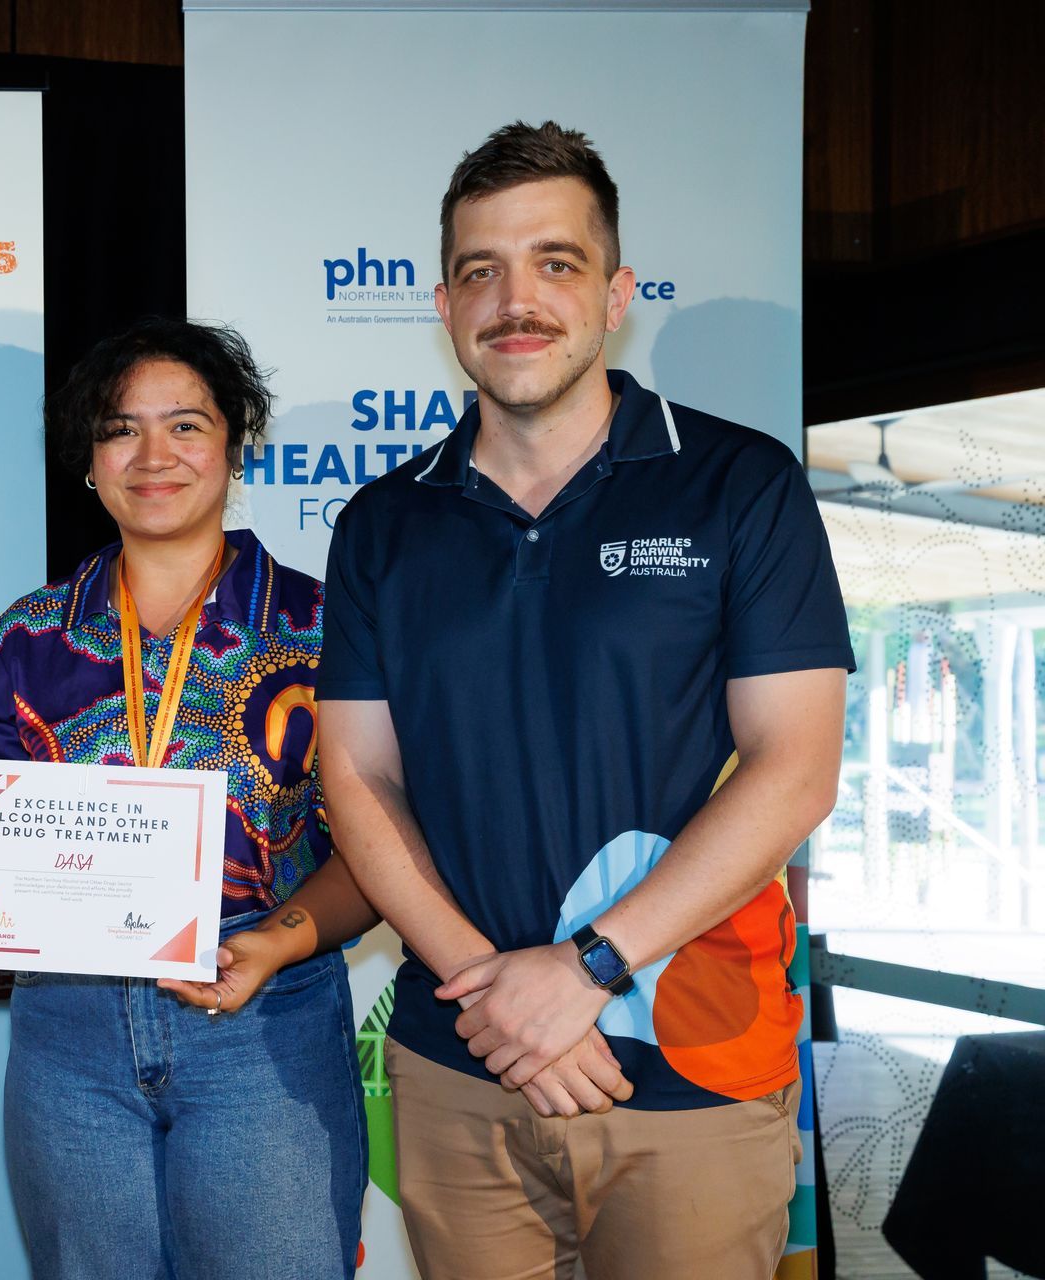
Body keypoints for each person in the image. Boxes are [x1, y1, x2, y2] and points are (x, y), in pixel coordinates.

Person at [317, 121, 852, 1280]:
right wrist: (497, 996)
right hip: (460, 1056)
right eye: (481, 271)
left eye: (555, 263)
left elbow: (795, 769)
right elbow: (358, 777)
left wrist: (584, 971)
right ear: (447, 306)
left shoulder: (739, 483)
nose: (517, 299)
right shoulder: (382, 523)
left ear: (615, 296)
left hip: (691, 1065)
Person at [0, 318, 378, 1279]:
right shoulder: (27, 636)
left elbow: (381, 850)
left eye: (186, 426)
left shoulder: (326, 627)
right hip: (70, 1032)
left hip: (263, 1012)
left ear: (235, 444)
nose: (153, 456)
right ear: (88, 461)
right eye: (120, 430)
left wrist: (277, 940)